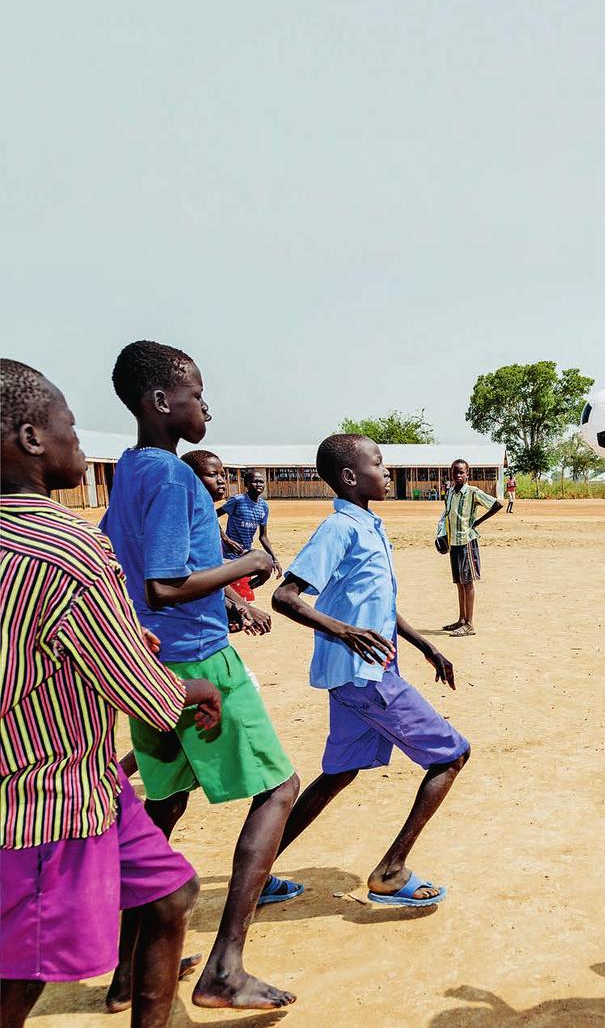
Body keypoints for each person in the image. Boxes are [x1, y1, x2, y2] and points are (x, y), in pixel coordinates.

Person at [0, 360, 223, 1028]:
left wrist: (120, 641)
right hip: (46, 799)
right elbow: (143, 692)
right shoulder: (67, 544)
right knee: (21, 974)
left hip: (95, 783)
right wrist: (192, 686)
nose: (80, 440)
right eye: (69, 424)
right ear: (33, 437)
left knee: (171, 892)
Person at [101, 341, 301, 1013]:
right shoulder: (174, 476)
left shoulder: (129, 469)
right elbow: (167, 581)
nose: (206, 405)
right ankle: (226, 965)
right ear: (162, 401)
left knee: (163, 808)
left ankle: (128, 973)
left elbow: (121, 557)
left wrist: (233, 596)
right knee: (279, 788)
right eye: (197, 394)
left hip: (148, 664)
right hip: (198, 664)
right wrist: (247, 562)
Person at [272, 434, 469, 907]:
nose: (385, 471)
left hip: (357, 677)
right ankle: (390, 870)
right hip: (368, 678)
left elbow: (379, 604)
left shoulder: (369, 525)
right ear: (349, 477)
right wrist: (342, 631)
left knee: (339, 773)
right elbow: (285, 597)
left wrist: (424, 645)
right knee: (451, 756)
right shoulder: (339, 529)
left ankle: (254, 873)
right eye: (378, 464)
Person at [182, 451, 272, 635]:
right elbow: (193, 573)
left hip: (203, 619)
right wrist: (252, 563)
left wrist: (235, 606)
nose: (222, 480)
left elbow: (207, 568)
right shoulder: (186, 518)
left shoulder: (202, 513)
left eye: (223, 475)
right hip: (187, 631)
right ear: (190, 478)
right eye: (212, 475)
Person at [436, 459, 502, 635]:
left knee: (468, 583)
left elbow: (497, 504)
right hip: (453, 543)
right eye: (455, 472)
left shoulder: (472, 492)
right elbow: (446, 516)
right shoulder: (449, 493)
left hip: (467, 542)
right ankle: (461, 620)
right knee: (459, 583)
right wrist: (441, 535)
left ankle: (470, 624)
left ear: (467, 474)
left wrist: (477, 523)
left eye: (461, 472)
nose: (458, 475)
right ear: (451, 474)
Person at [218, 470, 281, 590]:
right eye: (255, 481)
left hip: (245, 554)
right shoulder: (237, 500)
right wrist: (226, 539)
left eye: (261, 482)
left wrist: (275, 559)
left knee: (245, 591)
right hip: (228, 554)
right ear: (246, 484)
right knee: (229, 592)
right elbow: (211, 515)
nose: (259, 484)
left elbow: (263, 536)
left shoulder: (264, 507)